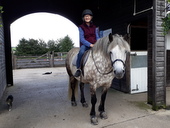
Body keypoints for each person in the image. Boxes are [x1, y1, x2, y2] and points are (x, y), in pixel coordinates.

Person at [74, 9, 100, 77]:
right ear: (83, 18)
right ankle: (78, 68)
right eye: (85, 16)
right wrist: (90, 44)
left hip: (94, 44)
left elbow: (97, 36)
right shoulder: (81, 27)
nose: (87, 17)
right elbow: (82, 39)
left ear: (91, 17)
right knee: (81, 53)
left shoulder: (95, 27)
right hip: (85, 45)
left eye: (88, 16)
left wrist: (98, 43)